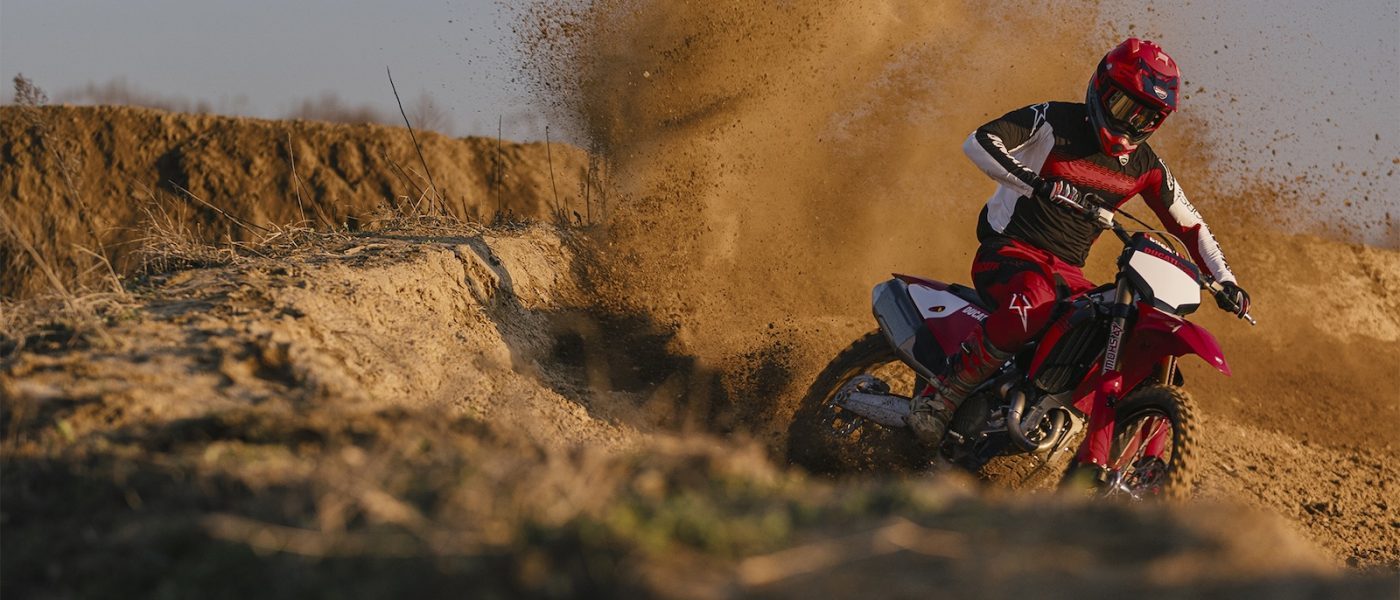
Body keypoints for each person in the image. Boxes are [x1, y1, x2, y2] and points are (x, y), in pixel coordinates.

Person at [907, 38, 1251, 453]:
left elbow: (1191, 225)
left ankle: (1111, 451)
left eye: (1146, 117)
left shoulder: (1146, 165)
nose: (1131, 124)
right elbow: (980, 141)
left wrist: (1225, 280)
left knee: (1113, 324)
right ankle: (942, 397)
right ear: (1102, 89)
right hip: (1009, 251)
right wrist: (1034, 183)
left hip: (1067, 273)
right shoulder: (1055, 120)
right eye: (1125, 107)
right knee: (1034, 299)